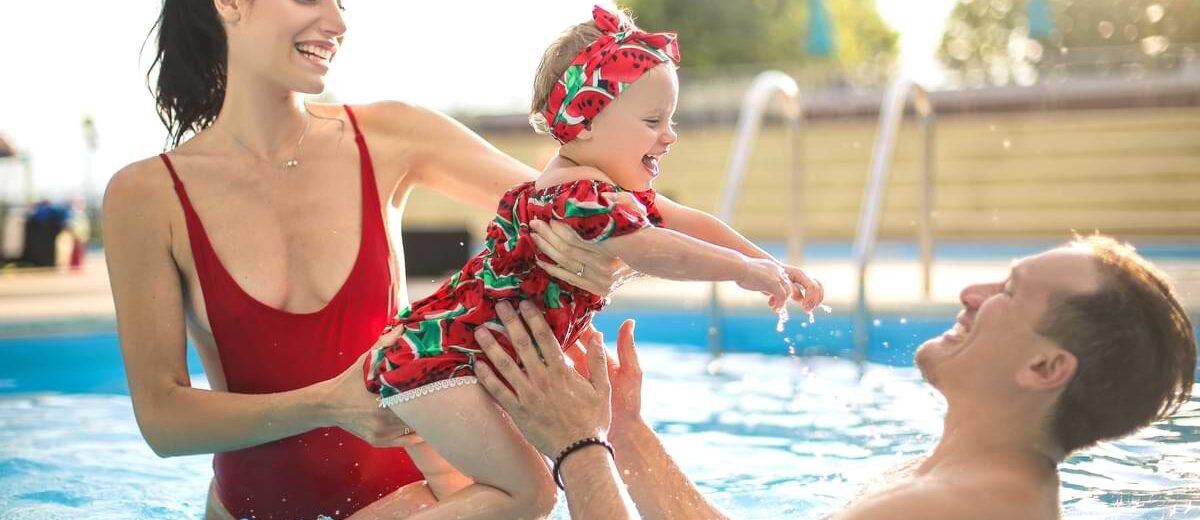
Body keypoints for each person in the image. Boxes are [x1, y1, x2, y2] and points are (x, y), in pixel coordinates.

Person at [102, 1, 638, 518]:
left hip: (421, 506)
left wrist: (605, 248)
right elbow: (163, 420)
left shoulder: (389, 137)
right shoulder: (146, 196)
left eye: (341, 3)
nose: (336, 21)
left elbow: (574, 205)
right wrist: (328, 402)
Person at [358, 6, 824, 519]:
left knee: (464, 496)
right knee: (531, 495)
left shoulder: (604, 190)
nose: (669, 135)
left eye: (670, 120)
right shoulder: (577, 196)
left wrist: (770, 263)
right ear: (582, 123)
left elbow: (687, 221)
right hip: (442, 364)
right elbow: (654, 248)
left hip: (445, 359)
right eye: (652, 121)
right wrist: (744, 272)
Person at [474, 236, 1197, 520]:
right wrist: (623, 434)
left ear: (1045, 367)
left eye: (1009, 290)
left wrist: (575, 449)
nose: (973, 293)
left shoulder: (957, 510)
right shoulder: (958, 479)